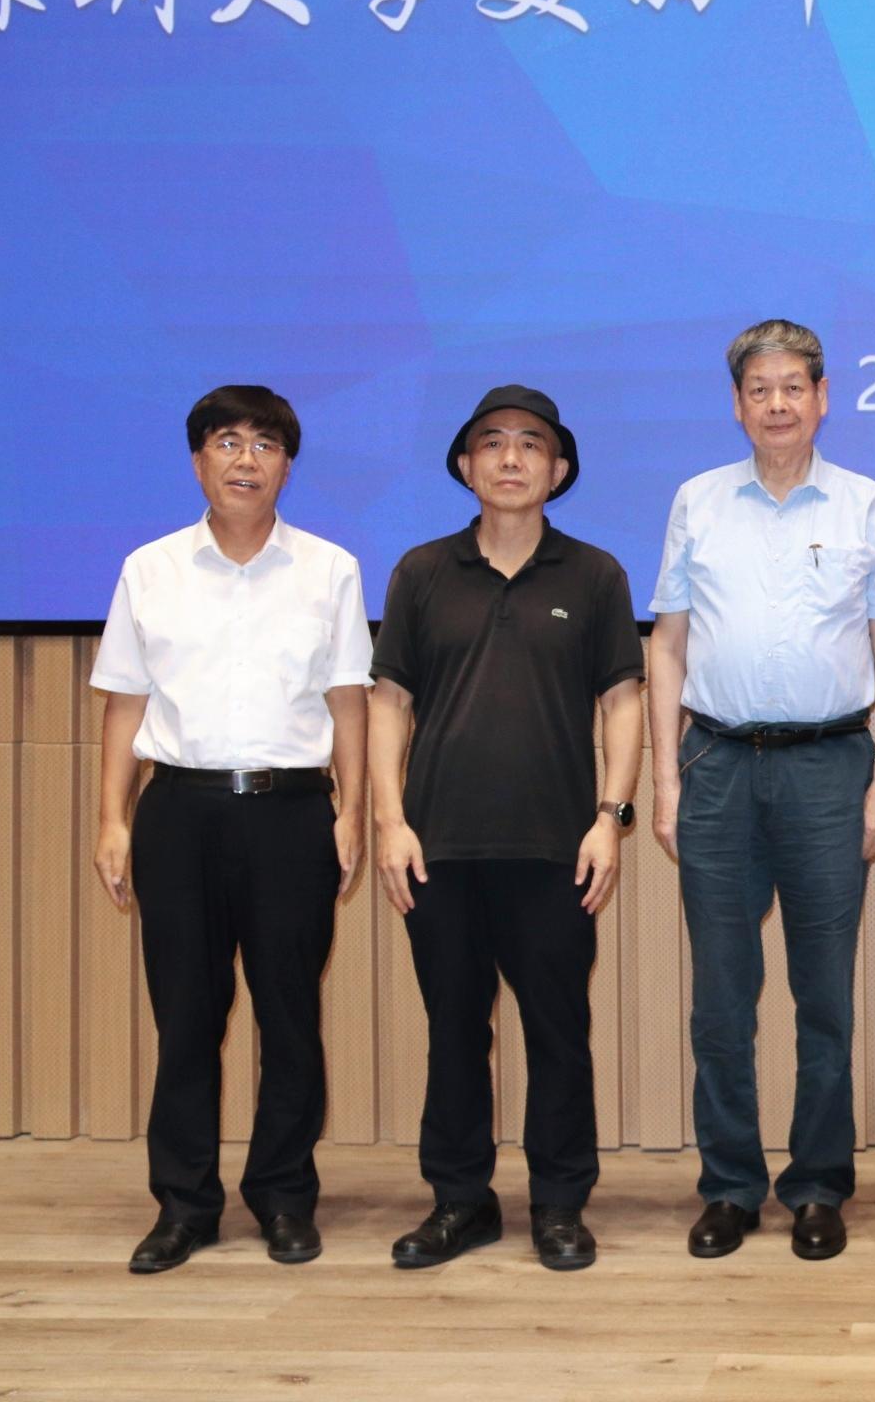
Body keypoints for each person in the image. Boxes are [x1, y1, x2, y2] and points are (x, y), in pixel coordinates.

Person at [646, 320, 875, 1264]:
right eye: (758, 389)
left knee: (823, 997)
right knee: (721, 1000)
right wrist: (665, 778)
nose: (776, 405)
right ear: (737, 404)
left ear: (822, 396)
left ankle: (816, 1186)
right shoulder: (697, 501)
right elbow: (667, 645)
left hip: (829, 768)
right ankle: (729, 1186)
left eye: (793, 387)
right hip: (716, 766)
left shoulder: (864, 504)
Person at [89, 385, 370, 1273]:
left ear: (287, 465)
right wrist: (111, 817)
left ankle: (284, 1196)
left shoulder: (330, 569)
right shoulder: (149, 569)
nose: (246, 460)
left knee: (289, 1017)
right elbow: (124, 702)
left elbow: (349, 702)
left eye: (265, 445)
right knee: (185, 1019)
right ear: (197, 460)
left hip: (292, 814)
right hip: (178, 812)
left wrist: (353, 810)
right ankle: (184, 1205)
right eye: (226, 442)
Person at [369, 385, 645, 1271]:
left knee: (558, 1033)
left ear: (559, 470)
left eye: (532, 443)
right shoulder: (421, 572)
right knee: (453, 1032)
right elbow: (389, 702)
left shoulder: (594, 575)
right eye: (492, 442)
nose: (512, 457)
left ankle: (560, 1205)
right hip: (439, 848)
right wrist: (389, 820)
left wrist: (610, 819)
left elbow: (624, 702)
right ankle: (460, 1201)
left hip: (557, 850)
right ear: (465, 465)